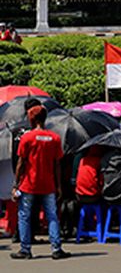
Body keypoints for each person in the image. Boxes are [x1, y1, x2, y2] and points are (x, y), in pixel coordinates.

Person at [10, 105, 71, 260]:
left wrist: (16, 184)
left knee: (24, 216)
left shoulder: (27, 138)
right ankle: (56, 249)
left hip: (29, 183)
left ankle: (25, 249)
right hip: (48, 184)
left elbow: (21, 163)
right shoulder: (54, 138)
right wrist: (58, 185)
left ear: (32, 119)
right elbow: (57, 164)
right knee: (52, 216)